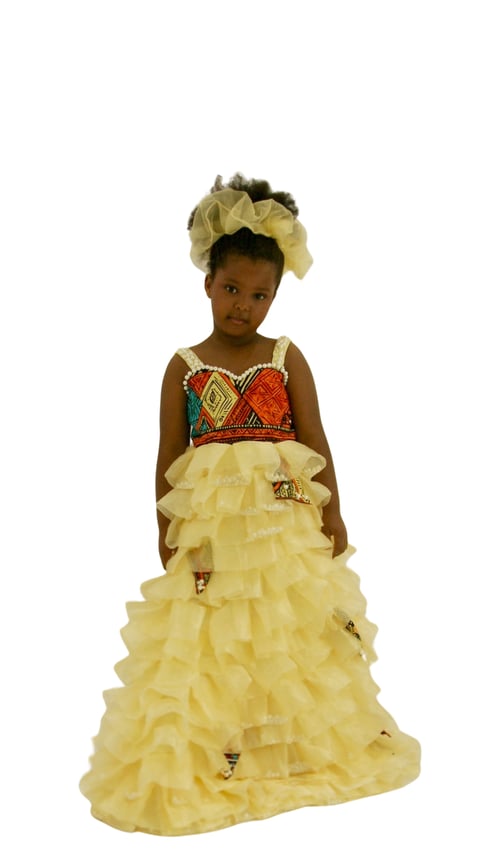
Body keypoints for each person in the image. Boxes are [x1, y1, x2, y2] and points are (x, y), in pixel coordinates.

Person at [80, 174, 420, 836]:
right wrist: (165, 522)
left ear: (276, 296)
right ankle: (219, 749)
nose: (244, 306)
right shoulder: (184, 365)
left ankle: (289, 747)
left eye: (260, 294)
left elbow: (316, 439)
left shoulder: (285, 357)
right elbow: (169, 453)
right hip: (213, 531)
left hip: (282, 521)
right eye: (232, 289)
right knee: (217, 630)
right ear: (208, 283)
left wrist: (334, 511)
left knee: (286, 627)